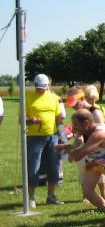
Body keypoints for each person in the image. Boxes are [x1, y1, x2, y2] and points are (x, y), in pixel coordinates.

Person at [66, 87, 105, 213]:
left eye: (75, 104)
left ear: (82, 98)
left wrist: (77, 151)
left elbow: (100, 136)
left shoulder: (96, 112)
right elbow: (80, 136)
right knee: (88, 191)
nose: (74, 107)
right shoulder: (80, 115)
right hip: (93, 155)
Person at [24, 74, 63, 206]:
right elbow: (22, 118)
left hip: (53, 136)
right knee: (34, 167)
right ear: (34, 85)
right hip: (34, 138)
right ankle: (31, 198)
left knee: (54, 166)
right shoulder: (28, 97)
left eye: (43, 87)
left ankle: (51, 196)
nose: (40, 89)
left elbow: (59, 118)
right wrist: (30, 120)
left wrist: (62, 137)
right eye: (38, 87)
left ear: (48, 86)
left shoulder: (53, 98)